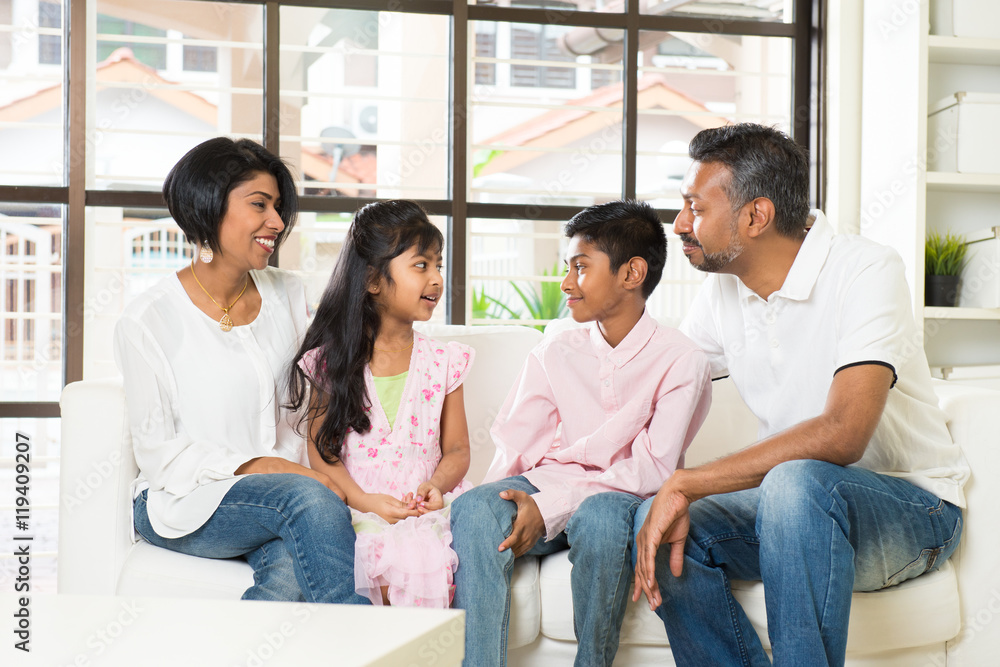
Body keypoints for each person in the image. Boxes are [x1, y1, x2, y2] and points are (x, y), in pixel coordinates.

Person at [632, 123, 969, 666]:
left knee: (794, 484)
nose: (680, 225)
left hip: (913, 508)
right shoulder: (722, 290)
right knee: (661, 520)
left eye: (695, 207)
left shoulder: (866, 269)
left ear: (756, 216)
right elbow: (653, 382)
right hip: (793, 511)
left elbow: (843, 434)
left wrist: (689, 481)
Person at [451, 200, 713, 667]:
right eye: (567, 267)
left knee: (601, 517)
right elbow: (517, 445)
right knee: (475, 508)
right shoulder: (554, 349)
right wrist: (502, 505)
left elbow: (652, 469)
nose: (566, 283)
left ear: (632, 273)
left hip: (623, 500)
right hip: (548, 487)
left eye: (581, 267)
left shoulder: (682, 360)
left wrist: (549, 506)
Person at [114, 137, 367, 605]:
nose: (278, 222)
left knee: (290, 573)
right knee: (309, 503)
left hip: (286, 500)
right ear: (209, 207)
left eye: (278, 207)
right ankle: (363, 635)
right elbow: (159, 454)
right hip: (188, 499)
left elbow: (322, 398)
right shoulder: (147, 320)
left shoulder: (289, 295)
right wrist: (260, 466)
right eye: (259, 204)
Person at [287, 200, 474, 608]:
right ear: (373, 280)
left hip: (427, 510)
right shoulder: (331, 362)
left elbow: (459, 449)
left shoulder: (445, 361)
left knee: (435, 558)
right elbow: (321, 451)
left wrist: (436, 486)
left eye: (439, 265)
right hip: (360, 507)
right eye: (421, 265)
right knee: (376, 569)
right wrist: (364, 501)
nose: (437, 278)